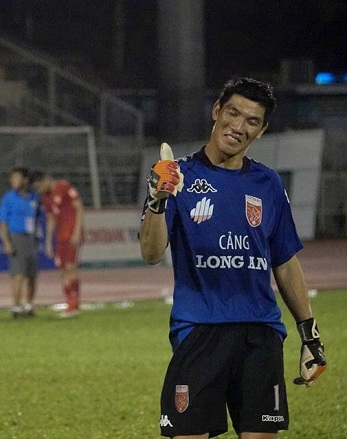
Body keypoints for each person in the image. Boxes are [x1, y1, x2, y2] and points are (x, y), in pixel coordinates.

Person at [139, 77, 326, 438]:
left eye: (252, 121)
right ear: (216, 112)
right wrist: (157, 200)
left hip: (259, 334)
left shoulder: (268, 183)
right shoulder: (178, 176)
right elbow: (150, 253)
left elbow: (285, 261)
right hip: (199, 331)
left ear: (262, 130)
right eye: (233, 113)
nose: (239, 127)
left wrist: (310, 335)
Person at [31, 170, 84, 318]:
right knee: (62, 269)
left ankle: (73, 306)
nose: (39, 190)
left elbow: (79, 208)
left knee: (70, 267)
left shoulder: (64, 187)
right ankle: (71, 303)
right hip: (60, 235)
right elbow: (51, 219)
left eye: (40, 186)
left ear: (46, 179)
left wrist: (77, 232)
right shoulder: (45, 197)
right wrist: (48, 242)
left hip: (71, 232)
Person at [0, 167, 42, 317]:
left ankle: (28, 305)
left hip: (31, 238)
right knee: (18, 275)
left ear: (25, 180)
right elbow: (2, 222)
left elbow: (38, 217)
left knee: (32, 275)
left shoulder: (34, 197)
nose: (13, 181)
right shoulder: (9, 198)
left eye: (16, 178)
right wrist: (7, 242)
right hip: (16, 237)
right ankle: (16, 307)